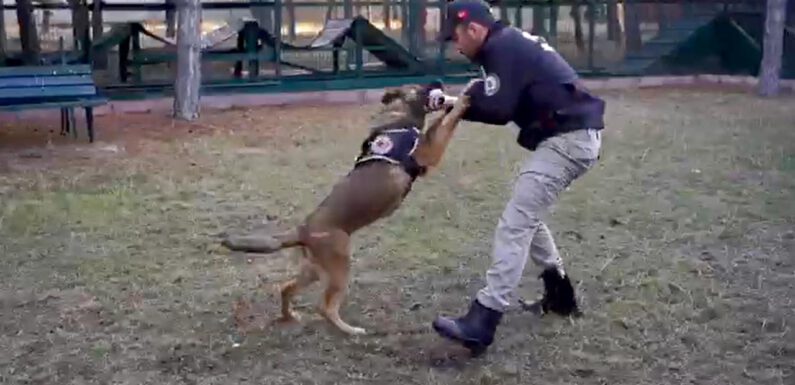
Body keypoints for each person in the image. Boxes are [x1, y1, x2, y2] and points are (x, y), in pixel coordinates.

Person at [426, 0, 606, 356]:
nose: (456, 46)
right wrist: (454, 101)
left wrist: (466, 97)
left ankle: (483, 319)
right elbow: (496, 99)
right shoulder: (506, 44)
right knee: (527, 215)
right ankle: (559, 294)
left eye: (456, 38)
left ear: (474, 29)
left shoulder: (501, 48)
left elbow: (498, 107)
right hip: (573, 136)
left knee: (516, 222)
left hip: (569, 140)